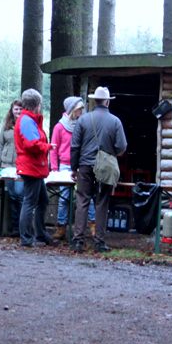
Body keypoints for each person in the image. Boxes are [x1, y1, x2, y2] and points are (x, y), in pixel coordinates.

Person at [69, 86, 127, 253]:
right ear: (108, 102)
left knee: (82, 201)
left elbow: (75, 146)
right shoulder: (115, 121)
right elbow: (121, 146)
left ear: (94, 101)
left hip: (85, 167)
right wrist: (110, 154)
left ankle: (78, 240)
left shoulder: (83, 120)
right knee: (102, 203)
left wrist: (74, 168)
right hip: (105, 169)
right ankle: (99, 242)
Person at [14, 88, 53, 247]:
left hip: (34, 167)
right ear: (36, 104)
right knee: (29, 201)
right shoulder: (26, 121)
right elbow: (32, 145)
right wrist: (48, 147)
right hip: (31, 167)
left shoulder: (29, 120)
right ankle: (27, 238)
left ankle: (40, 234)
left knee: (43, 200)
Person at [50, 96, 85, 241]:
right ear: (72, 110)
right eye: (79, 109)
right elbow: (53, 148)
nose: (81, 112)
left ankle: (91, 226)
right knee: (64, 197)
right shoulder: (59, 127)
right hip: (64, 165)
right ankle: (61, 226)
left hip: (80, 164)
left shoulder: (82, 125)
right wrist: (54, 168)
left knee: (83, 196)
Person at [0, 99, 23, 236]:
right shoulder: (6, 125)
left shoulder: (25, 124)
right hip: (6, 166)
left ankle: (22, 227)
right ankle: (14, 228)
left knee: (19, 194)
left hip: (20, 166)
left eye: (20, 109)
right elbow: (0, 145)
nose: (18, 111)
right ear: (12, 110)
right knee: (11, 195)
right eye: (16, 109)